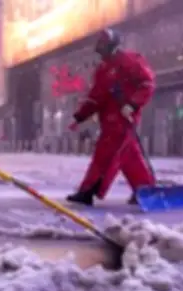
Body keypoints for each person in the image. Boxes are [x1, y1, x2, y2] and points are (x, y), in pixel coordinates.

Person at [66, 29, 156, 206]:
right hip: (109, 121)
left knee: (105, 155)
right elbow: (96, 97)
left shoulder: (131, 61)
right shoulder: (103, 70)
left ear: (112, 45)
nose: (100, 50)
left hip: (123, 119)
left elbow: (147, 84)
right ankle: (144, 189)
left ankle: (88, 191)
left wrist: (132, 104)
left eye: (103, 45)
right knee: (129, 157)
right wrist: (80, 117)